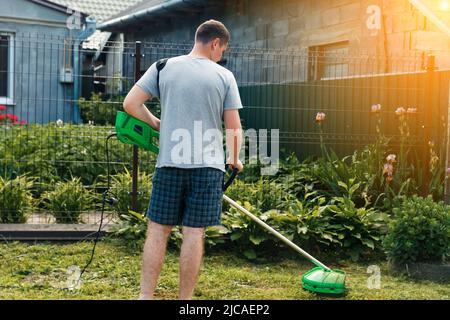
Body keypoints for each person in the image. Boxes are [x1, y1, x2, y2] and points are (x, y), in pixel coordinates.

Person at [122, 19, 244, 300]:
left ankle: (145, 297)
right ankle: (185, 301)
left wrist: (156, 123)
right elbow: (233, 126)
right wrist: (234, 158)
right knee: (193, 233)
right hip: (207, 168)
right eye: (221, 50)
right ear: (215, 43)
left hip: (169, 164)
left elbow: (130, 104)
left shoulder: (163, 67)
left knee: (157, 231)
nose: (220, 56)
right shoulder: (224, 76)